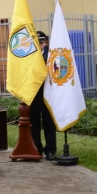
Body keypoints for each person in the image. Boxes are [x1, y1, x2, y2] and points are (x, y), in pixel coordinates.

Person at [30, 31, 57, 160]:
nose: (40, 44)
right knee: (34, 122)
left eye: (41, 42)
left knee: (48, 122)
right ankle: (36, 148)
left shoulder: (51, 55)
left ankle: (50, 150)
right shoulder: (29, 56)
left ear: (46, 42)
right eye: (37, 42)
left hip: (48, 92)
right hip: (34, 93)